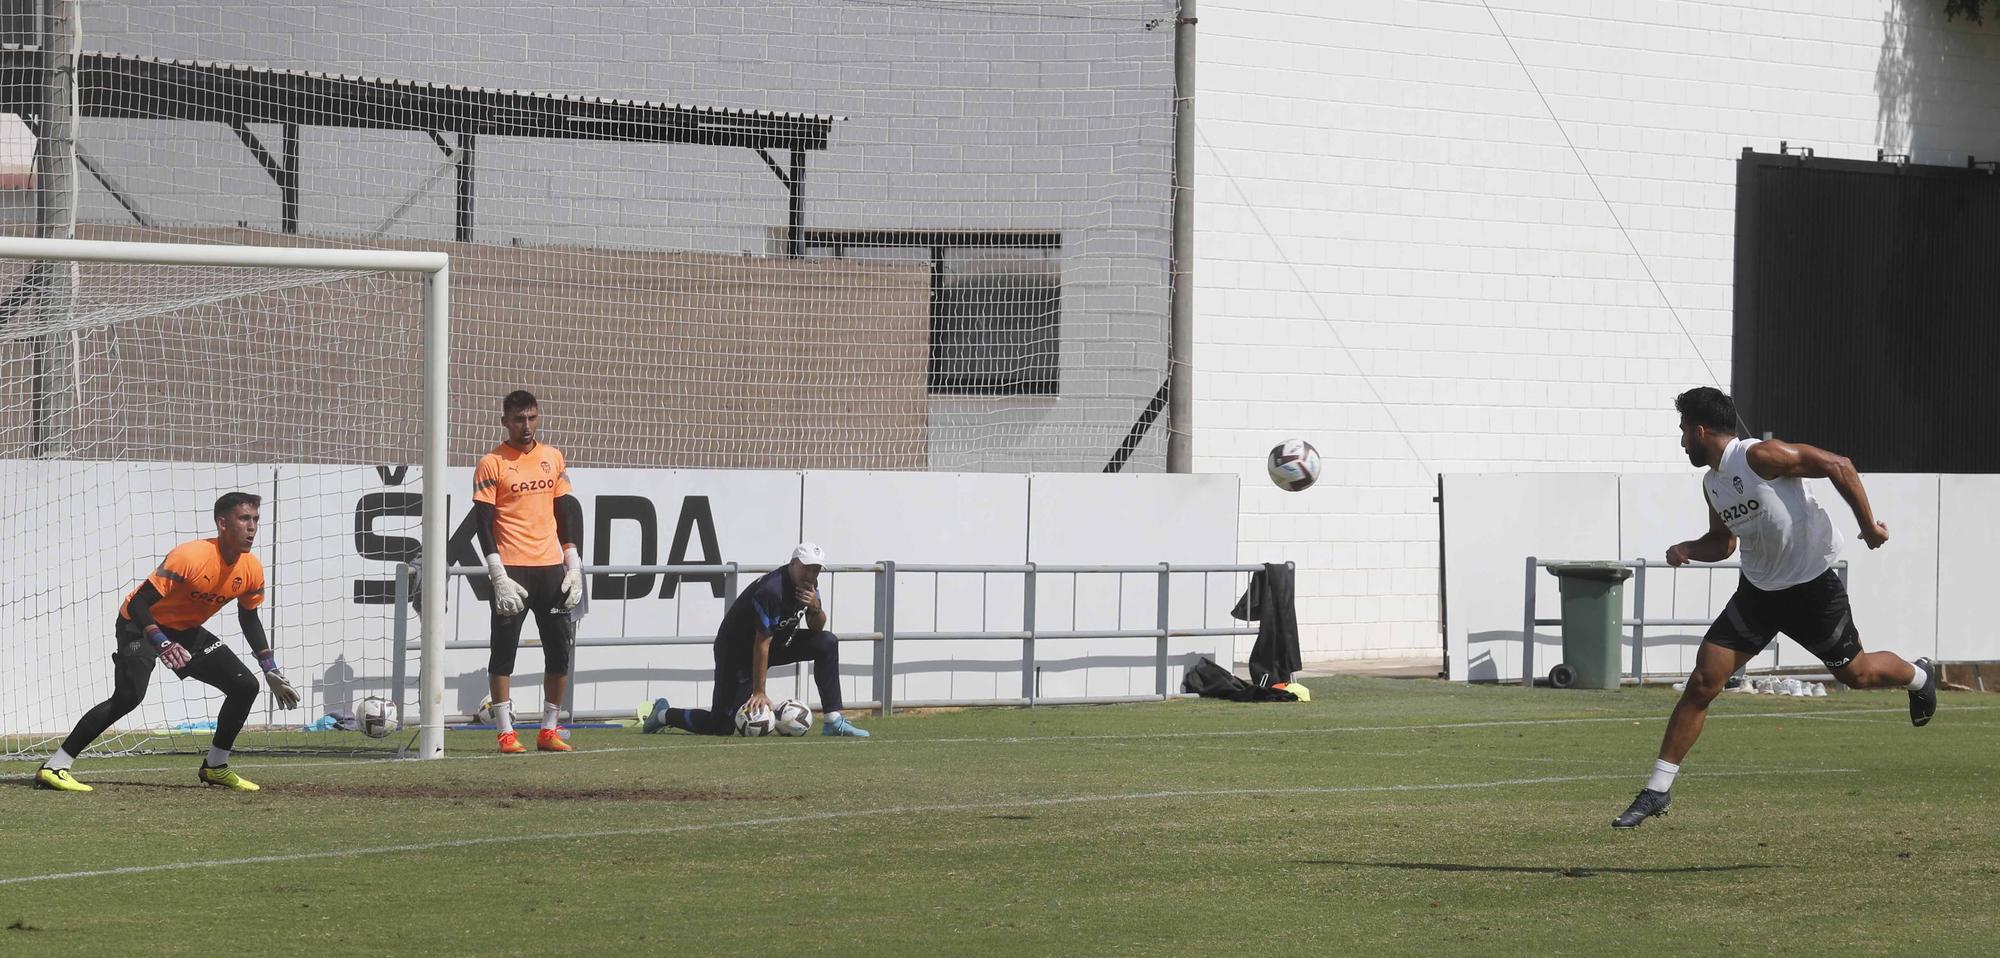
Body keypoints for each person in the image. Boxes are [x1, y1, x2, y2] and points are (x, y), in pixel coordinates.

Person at [1612, 387, 1937, 828]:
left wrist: (1869, 527)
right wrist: (1688, 547)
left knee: (1856, 674)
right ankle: (1657, 791)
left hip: (1811, 590)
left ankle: (1919, 676)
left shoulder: (1759, 456)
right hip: (1758, 593)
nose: (1683, 441)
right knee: (1704, 681)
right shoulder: (1712, 484)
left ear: (1701, 429)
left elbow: (1838, 465)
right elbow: (1724, 544)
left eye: (1684, 431)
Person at [36, 492, 299, 792]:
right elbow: (138, 604)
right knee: (129, 697)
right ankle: (54, 767)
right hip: (139, 624)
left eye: (255, 520)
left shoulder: (251, 568)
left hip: (185, 630)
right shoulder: (190, 556)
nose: (251, 527)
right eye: (243, 519)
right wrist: (160, 641)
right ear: (222, 523)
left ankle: (215, 766)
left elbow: (249, 618)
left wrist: (269, 667)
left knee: (245, 686)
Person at [641, 542, 869, 738]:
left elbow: (816, 626)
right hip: (737, 652)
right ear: (792, 564)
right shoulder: (772, 591)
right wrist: (759, 692)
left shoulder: (810, 585)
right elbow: (761, 642)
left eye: (816, 570)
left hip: (777, 643)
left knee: (826, 642)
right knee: (721, 725)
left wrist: (815, 607)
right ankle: (662, 714)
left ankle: (833, 720)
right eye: (806, 568)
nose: (811, 575)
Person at [474, 390, 585, 753]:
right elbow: (483, 521)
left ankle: (548, 730)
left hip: (550, 569)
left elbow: (565, 510)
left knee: (559, 652)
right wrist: (497, 574)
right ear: (505, 421)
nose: (526, 426)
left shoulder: (552, 457)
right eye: (519, 419)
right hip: (512, 571)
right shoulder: (491, 463)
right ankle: (505, 733)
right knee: (503, 652)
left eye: (532, 418)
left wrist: (574, 564)